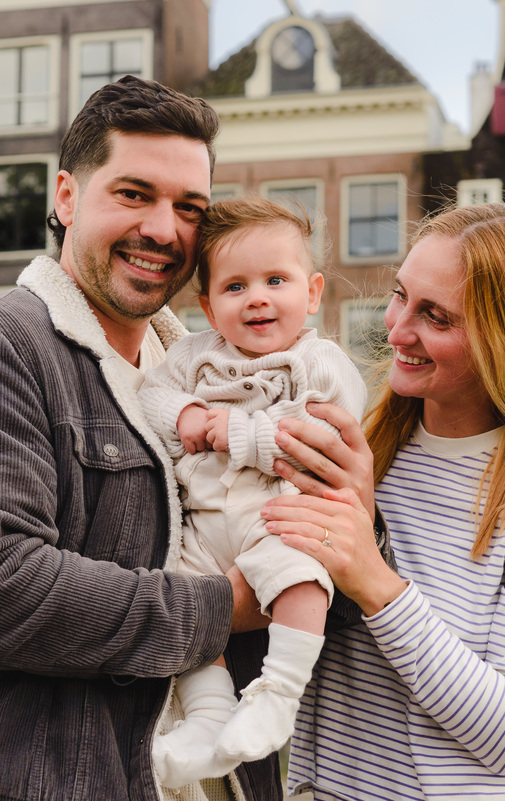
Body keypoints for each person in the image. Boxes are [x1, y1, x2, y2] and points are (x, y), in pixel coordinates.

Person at [0, 75, 323, 801]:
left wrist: (346, 506)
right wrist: (224, 606)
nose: (164, 228)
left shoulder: (209, 374)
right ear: (65, 197)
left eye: (189, 207)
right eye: (133, 194)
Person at [259, 202, 505, 800]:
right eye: (402, 295)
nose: (398, 329)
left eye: (436, 317)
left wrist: (374, 580)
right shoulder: (362, 446)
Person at [138, 197, 368, 788]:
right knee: (184, 598)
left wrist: (240, 435)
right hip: (205, 521)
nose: (258, 297)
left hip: (277, 511)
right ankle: (208, 715)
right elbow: (150, 399)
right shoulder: (191, 356)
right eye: (235, 287)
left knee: (300, 574)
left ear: (312, 293)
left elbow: (325, 435)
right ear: (209, 307)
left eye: (276, 280)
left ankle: (278, 692)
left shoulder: (319, 362)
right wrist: (187, 413)